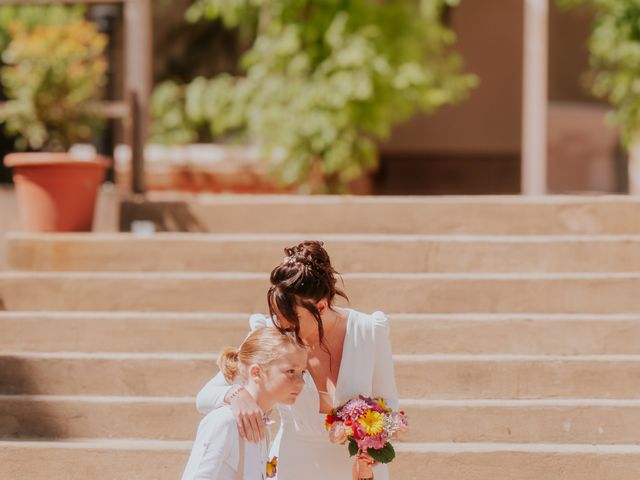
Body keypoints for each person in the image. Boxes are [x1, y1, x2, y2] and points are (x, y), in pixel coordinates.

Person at [196, 241, 399, 480]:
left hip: (357, 471)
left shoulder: (368, 331)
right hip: (292, 466)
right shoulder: (274, 334)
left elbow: (390, 406)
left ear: (321, 307)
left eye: (291, 317)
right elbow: (205, 397)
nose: (283, 325)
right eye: (278, 315)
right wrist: (235, 394)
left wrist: (373, 446)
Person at [182, 327, 307, 480]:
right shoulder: (225, 422)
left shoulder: (262, 428)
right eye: (291, 371)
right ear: (256, 372)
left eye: (303, 372)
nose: (301, 382)